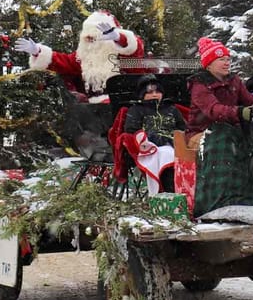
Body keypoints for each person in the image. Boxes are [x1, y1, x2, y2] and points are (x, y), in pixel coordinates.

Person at [13, 10, 145, 103]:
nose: (91, 40)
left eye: (96, 36)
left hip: (124, 105)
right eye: (88, 37)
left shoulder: (120, 55)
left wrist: (119, 38)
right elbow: (63, 62)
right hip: (92, 110)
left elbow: (135, 55)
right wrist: (37, 51)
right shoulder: (83, 58)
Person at [186, 37, 253, 143]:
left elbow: (250, 101)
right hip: (201, 133)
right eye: (221, 60)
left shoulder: (234, 81)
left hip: (231, 131)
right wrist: (240, 112)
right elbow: (214, 110)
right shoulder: (199, 84)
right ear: (209, 64)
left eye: (228, 59)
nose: (226, 63)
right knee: (225, 143)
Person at [124, 74, 187, 194]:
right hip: (150, 147)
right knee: (166, 155)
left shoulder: (171, 109)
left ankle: (181, 189)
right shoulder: (137, 110)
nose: (154, 95)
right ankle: (168, 191)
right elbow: (131, 131)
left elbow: (182, 127)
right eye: (150, 92)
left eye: (157, 91)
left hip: (173, 144)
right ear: (142, 95)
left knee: (176, 155)